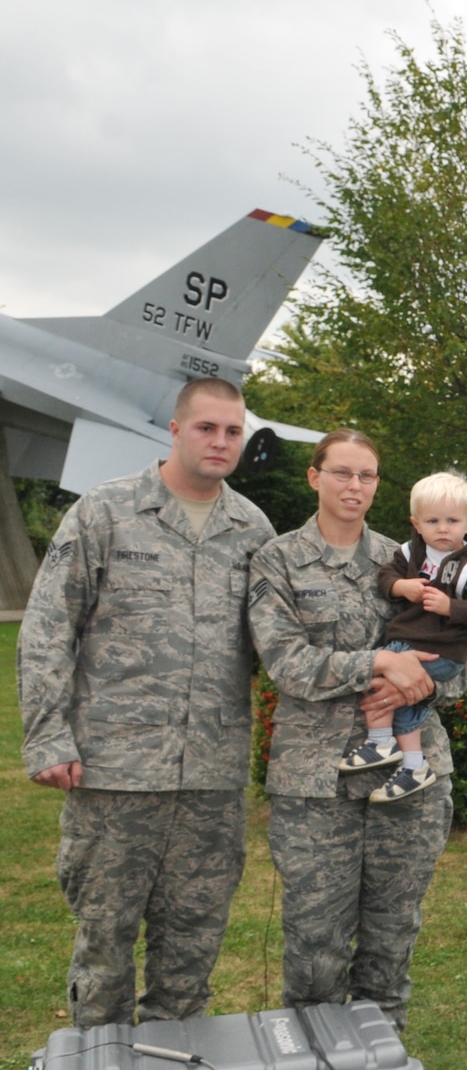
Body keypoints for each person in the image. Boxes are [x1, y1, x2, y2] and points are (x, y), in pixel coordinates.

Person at [16, 378, 275, 1028]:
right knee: (104, 946)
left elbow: (280, 643)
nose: (220, 441)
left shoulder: (253, 529)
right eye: (207, 428)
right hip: (114, 773)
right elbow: (49, 626)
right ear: (176, 429)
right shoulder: (106, 511)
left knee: (191, 950)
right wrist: (48, 736)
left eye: (233, 431)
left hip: (211, 778)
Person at [248, 431, 461, 1031]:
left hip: (409, 780)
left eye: (366, 476)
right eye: (342, 473)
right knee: (315, 950)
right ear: (315, 477)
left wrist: (414, 680)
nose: (355, 487)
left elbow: (455, 662)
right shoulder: (278, 560)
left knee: (391, 944)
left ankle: (380, 1051)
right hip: (316, 786)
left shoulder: (412, 560)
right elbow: (287, 664)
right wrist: (377, 663)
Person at [338, 471, 467, 804]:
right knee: (387, 690)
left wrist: (452, 607)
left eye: (452, 520)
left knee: (389, 690)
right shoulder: (409, 554)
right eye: (432, 521)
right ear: (416, 524)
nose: (443, 528)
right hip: (403, 645)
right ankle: (399, 755)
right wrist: (401, 586)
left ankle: (393, 751)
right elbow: (385, 576)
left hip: (443, 652)